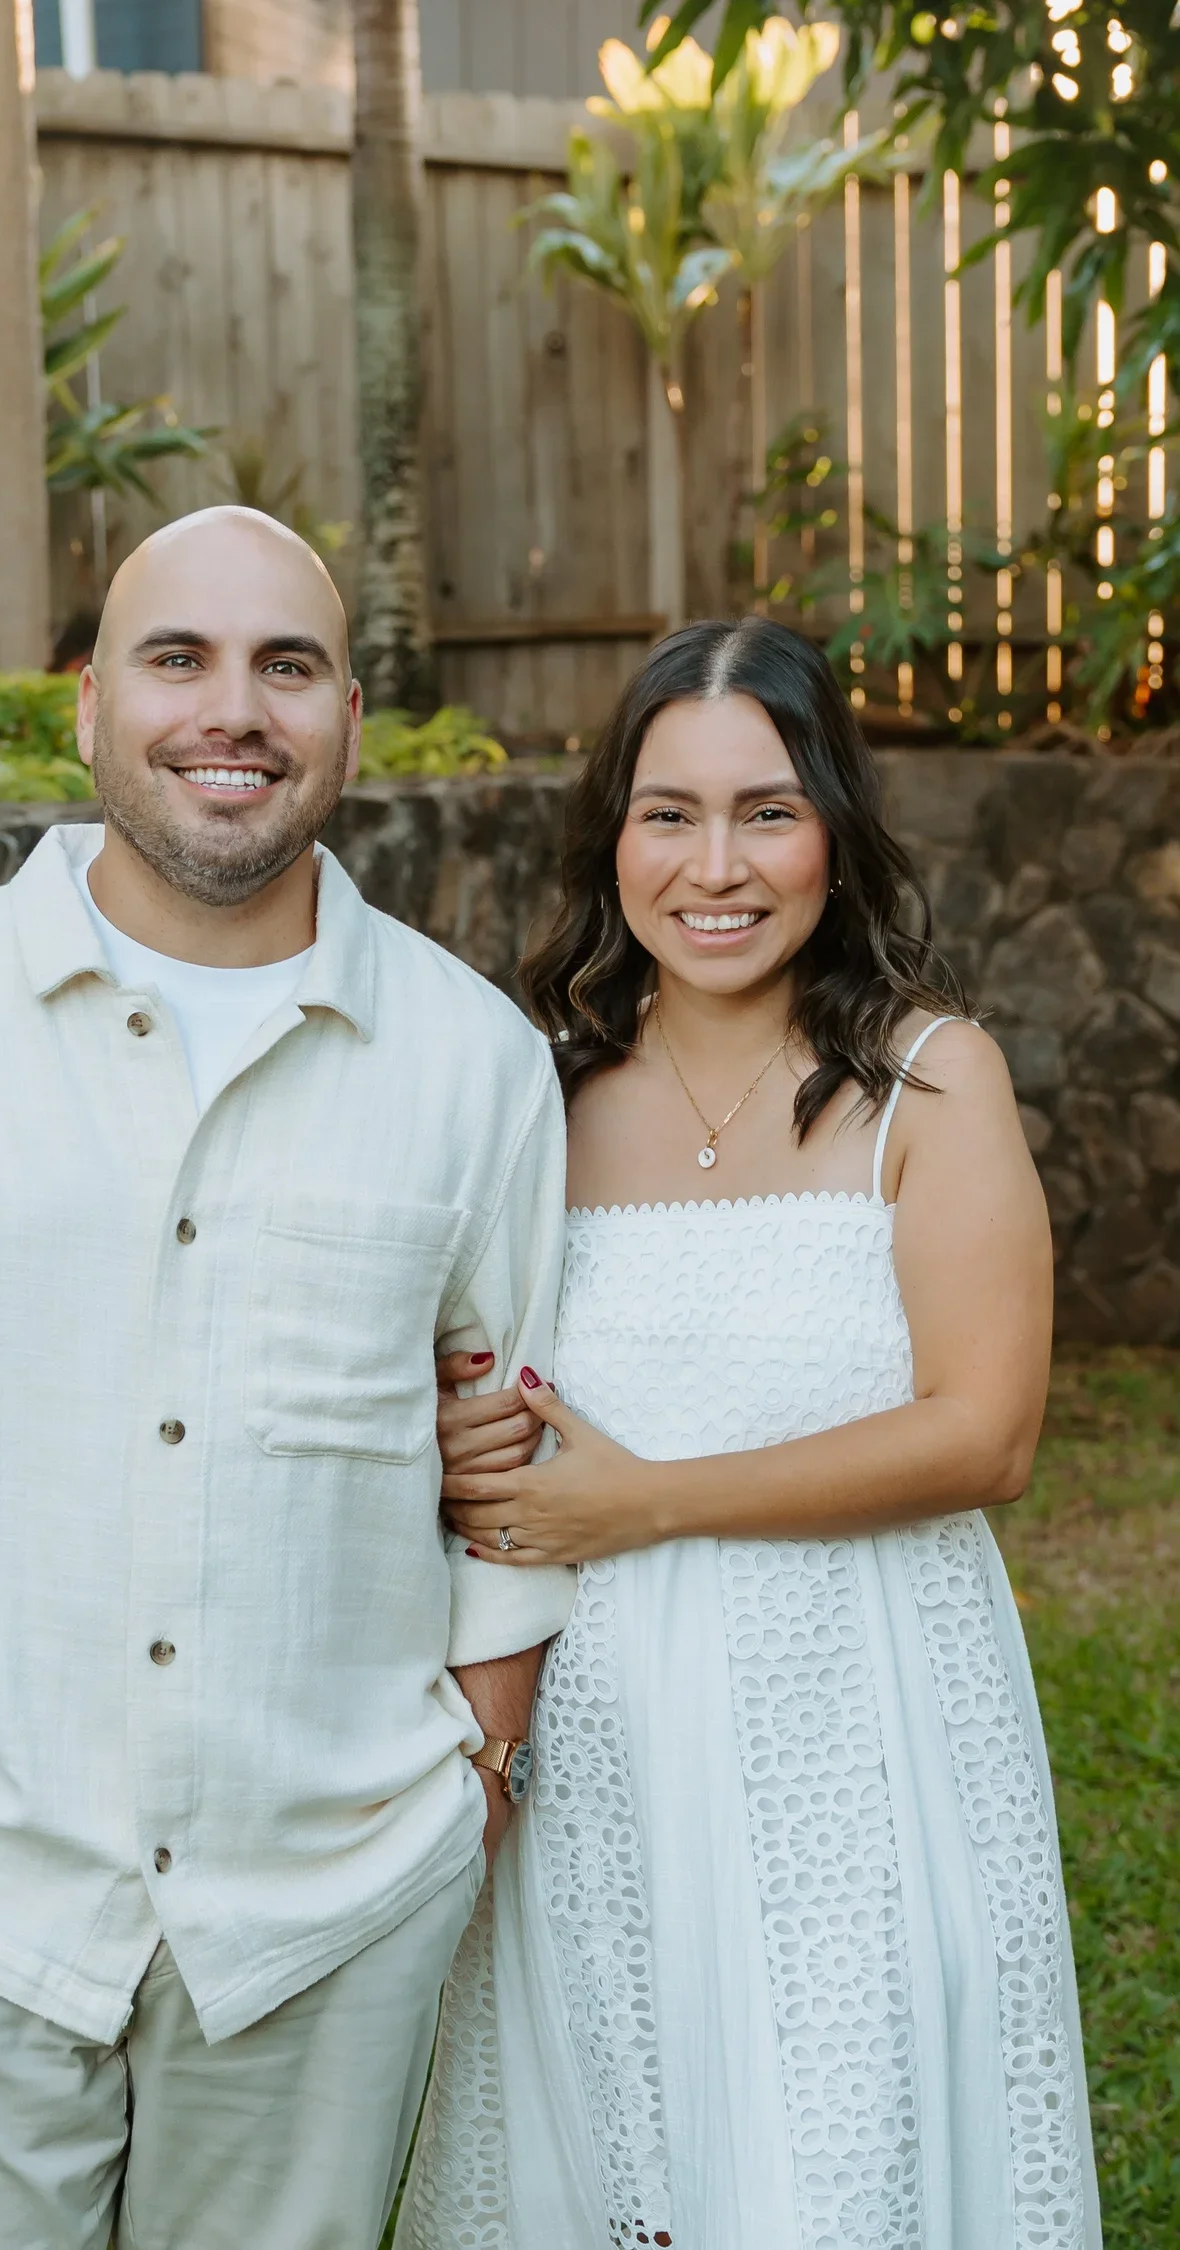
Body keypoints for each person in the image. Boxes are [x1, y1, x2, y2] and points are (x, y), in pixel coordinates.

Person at [0, 507, 575, 2250]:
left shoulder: (473, 1066)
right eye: (179, 657)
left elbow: (515, 1479)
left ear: (352, 718)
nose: (230, 708)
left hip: (328, 1914)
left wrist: (468, 1790)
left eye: (285, 665)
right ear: (87, 704)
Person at [402, 617, 1100, 2250]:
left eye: (768, 811)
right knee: (619, 2151)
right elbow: (451, 1374)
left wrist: (649, 1500)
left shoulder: (932, 1081)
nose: (718, 864)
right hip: (597, 1736)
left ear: (834, 832)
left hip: (863, 1722)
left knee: (840, 2164)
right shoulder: (536, 1095)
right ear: (614, 837)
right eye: (671, 813)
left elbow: (986, 1432)